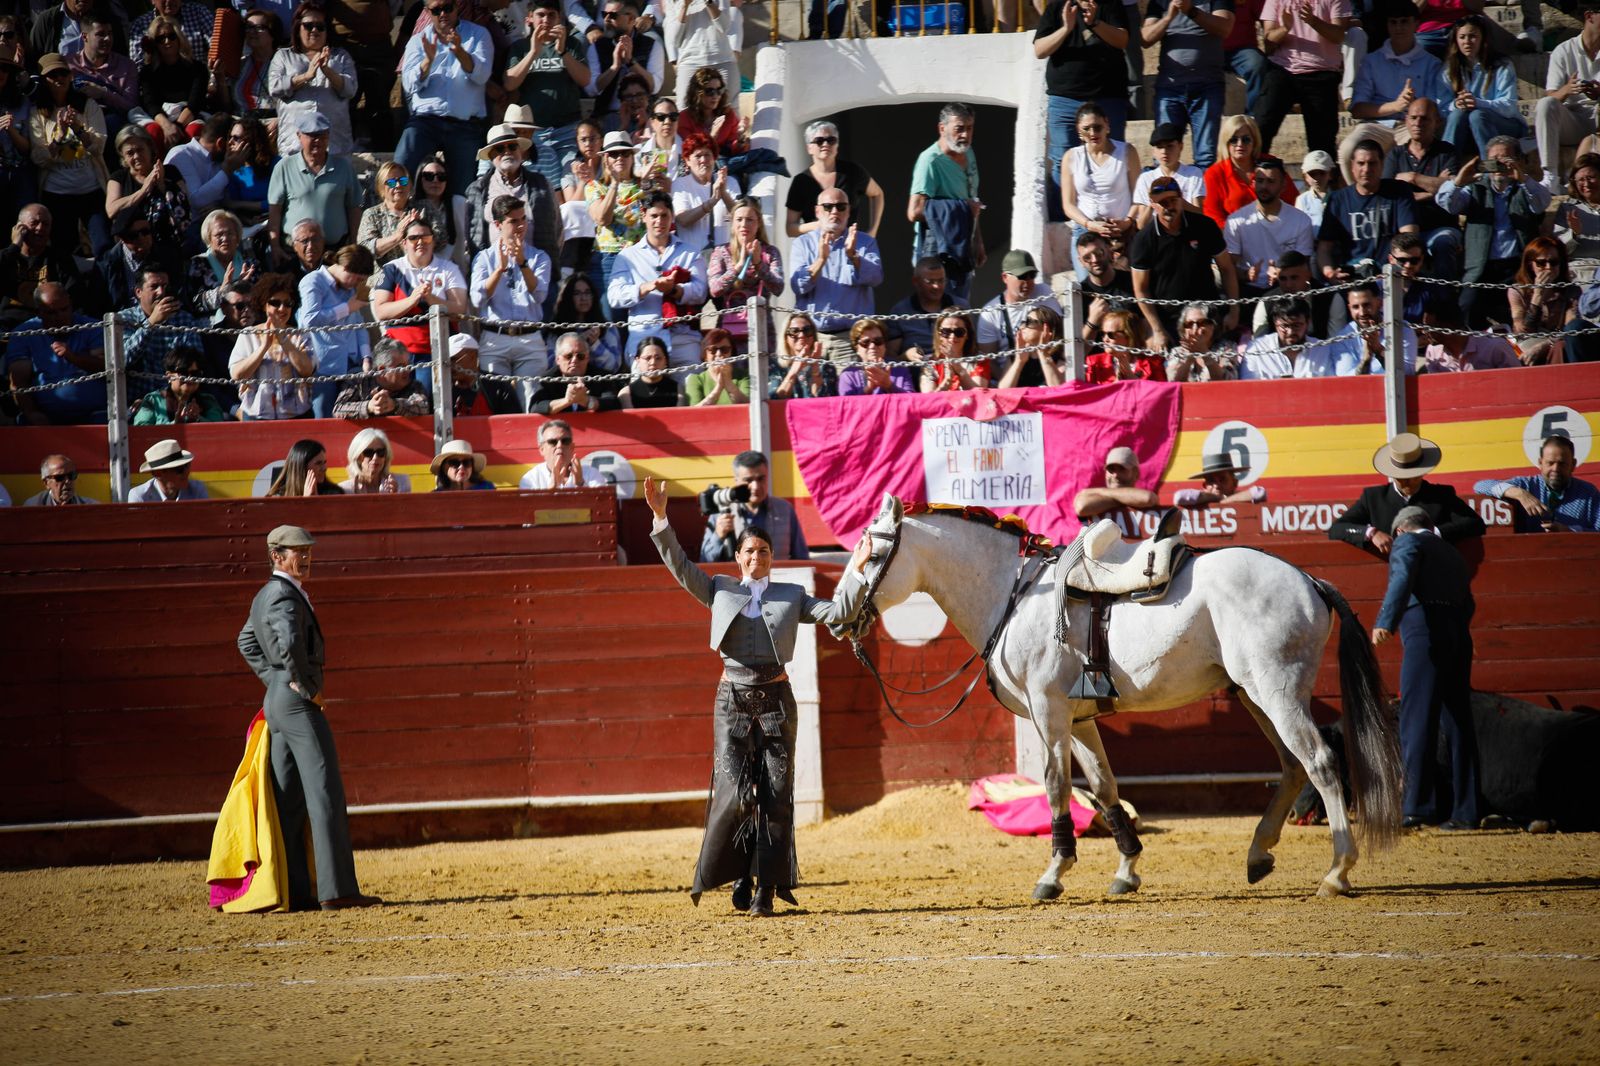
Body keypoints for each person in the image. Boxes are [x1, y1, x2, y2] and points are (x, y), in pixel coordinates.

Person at [645, 473, 868, 917]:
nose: (756, 557)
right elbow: (679, 565)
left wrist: (856, 569)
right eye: (749, 551)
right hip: (732, 700)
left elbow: (839, 614)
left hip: (776, 701)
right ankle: (742, 873)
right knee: (736, 793)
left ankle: (766, 887)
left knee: (776, 794)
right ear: (738, 557)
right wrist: (659, 517)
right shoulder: (719, 588)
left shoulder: (792, 595)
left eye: (764, 552)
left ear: (771, 559)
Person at [237, 524, 380, 911]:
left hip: (277, 701)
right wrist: (300, 682)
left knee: (290, 800)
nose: (306, 556)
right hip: (297, 703)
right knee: (324, 792)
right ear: (276, 556)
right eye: (297, 551)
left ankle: (296, 891)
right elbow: (288, 640)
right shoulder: (284, 597)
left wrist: (275, 682)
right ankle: (337, 891)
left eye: (308, 550)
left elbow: (246, 641)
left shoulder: (266, 595)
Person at [1370, 505, 1483, 831]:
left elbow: (1403, 578)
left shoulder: (1407, 544)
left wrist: (1385, 621)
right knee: (1459, 721)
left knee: (1416, 717)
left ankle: (1417, 806)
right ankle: (1466, 811)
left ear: (1400, 530)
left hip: (1425, 630)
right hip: (1458, 632)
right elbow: (1469, 602)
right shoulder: (1451, 553)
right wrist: (1456, 630)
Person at [1434, 137, 1551, 327]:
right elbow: (1447, 203)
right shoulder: (1475, 188)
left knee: (1525, 315)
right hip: (1481, 268)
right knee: (1467, 308)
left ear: (1518, 160)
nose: (1498, 165)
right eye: (1493, 159)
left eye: (1505, 159)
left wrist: (1523, 178)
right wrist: (1458, 181)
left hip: (1517, 266)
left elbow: (1542, 203)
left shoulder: (1525, 188)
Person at [1037, 0, 1131, 228]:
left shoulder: (1109, 4)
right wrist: (1066, 28)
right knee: (1062, 160)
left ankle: (1117, 216)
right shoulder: (1057, 6)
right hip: (1064, 98)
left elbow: (1123, 40)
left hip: (1108, 97)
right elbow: (1040, 49)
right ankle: (1065, 221)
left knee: (1115, 155)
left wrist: (1095, 22)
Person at [1328, 431, 1486, 553]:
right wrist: (1371, 533)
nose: (1408, 482)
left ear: (1423, 472)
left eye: (1413, 477)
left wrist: (1432, 532)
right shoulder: (1373, 498)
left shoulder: (1441, 495)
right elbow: (1337, 529)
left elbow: (1475, 523)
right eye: (1402, 478)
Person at [395, 0, 492, 195]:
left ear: (457, 7)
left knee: (464, 191)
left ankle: (460, 224)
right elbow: (408, 84)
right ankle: (396, 216)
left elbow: (482, 75)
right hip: (425, 121)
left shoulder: (478, 34)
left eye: (447, 8)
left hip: (465, 124)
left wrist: (460, 52)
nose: (443, 14)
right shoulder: (418, 40)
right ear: (427, 12)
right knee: (400, 169)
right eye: (436, 10)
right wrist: (428, 61)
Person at [1317, 138, 1417, 326]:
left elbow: (1408, 238)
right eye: (1361, 163)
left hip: (1388, 275)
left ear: (1382, 165)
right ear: (1352, 167)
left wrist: (1397, 268)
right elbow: (1323, 248)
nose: (1366, 169)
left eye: (1372, 163)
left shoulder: (1398, 191)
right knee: (1337, 321)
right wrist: (1330, 272)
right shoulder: (1338, 199)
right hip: (1351, 278)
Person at [1131, 175, 1238, 349]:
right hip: (1170, 321)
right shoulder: (1143, 240)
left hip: (1207, 316)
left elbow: (1226, 268)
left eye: (1173, 200)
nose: (1169, 207)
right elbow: (1140, 289)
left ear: (1181, 199)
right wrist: (1157, 329)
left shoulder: (1205, 226)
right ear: (1152, 203)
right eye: (1162, 203)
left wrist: (1234, 311)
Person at [472, 194, 554, 412]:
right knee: (497, 400)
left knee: (531, 401)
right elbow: (477, 299)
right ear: (498, 224)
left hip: (529, 338)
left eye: (523, 219)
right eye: (513, 221)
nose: (520, 226)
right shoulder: (484, 258)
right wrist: (499, 269)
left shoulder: (539, 257)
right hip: (495, 336)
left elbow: (540, 296)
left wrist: (522, 264)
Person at [607, 191, 708, 367]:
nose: (659, 221)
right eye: (654, 216)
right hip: (643, 341)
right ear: (644, 216)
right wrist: (647, 287)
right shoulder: (627, 256)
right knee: (643, 394)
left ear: (672, 217)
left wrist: (675, 290)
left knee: (690, 392)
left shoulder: (690, 252)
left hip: (682, 339)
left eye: (664, 216)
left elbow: (700, 292)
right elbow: (614, 296)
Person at [504, 0, 592, 196]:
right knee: (540, 190)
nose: (546, 20)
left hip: (567, 131)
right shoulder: (520, 47)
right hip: (533, 134)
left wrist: (562, 51)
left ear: (559, 18)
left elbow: (585, 79)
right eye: (541, 15)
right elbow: (509, 83)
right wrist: (534, 51)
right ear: (529, 19)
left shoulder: (572, 44)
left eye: (551, 15)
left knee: (570, 186)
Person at [789, 188, 884, 363]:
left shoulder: (865, 242)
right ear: (817, 211)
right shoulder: (802, 244)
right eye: (828, 207)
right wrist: (821, 260)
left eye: (841, 207)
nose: (834, 212)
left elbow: (876, 278)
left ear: (849, 211)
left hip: (851, 340)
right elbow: (797, 285)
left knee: (849, 390)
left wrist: (853, 256)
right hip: (812, 340)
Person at [31, 53, 110, 257]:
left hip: (91, 190)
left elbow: (99, 146)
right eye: (52, 75)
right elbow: (39, 157)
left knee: (102, 246)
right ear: (44, 80)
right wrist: (58, 135)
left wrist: (77, 128)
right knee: (62, 250)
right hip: (57, 193)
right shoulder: (38, 112)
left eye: (63, 73)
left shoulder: (88, 106)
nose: (59, 78)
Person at [371, 215, 469, 379]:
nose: (420, 242)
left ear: (433, 241)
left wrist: (431, 299)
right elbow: (381, 311)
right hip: (397, 352)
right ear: (404, 243)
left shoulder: (448, 269)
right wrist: (412, 299)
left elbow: (460, 309)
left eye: (426, 237)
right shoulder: (391, 269)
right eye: (413, 238)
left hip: (434, 350)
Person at [1142, 0, 1234, 169]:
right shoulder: (1160, 2)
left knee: (1206, 157)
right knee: (1164, 155)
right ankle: (1166, 194)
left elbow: (1225, 27)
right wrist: (1168, 17)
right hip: (1169, 88)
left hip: (1207, 87)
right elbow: (1145, 38)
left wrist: (1190, 10)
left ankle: (1202, 196)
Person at [1380, 97, 1464, 280]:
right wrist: (1434, 189)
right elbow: (1389, 194)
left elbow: (1452, 189)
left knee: (1443, 243)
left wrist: (1412, 177)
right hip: (1404, 230)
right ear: (1406, 120)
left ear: (1437, 122)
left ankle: (1444, 300)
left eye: (1425, 118)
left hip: (1440, 226)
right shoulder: (1395, 155)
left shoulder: (1448, 153)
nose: (1418, 123)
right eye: (1414, 117)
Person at [908, 102, 984, 302]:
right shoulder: (930, 161)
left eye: (970, 128)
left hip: (963, 241)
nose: (965, 135)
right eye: (959, 128)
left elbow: (972, 201)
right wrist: (961, 208)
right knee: (939, 310)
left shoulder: (968, 152)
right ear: (942, 128)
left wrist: (977, 240)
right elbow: (914, 211)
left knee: (960, 308)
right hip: (936, 246)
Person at [462, 122, 562, 272]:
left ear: (520, 151)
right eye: (500, 149)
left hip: (536, 272)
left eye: (512, 146)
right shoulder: (476, 190)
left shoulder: (542, 184)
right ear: (491, 156)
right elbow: (470, 237)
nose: (507, 152)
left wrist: (546, 268)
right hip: (493, 275)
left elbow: (558, 230)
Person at [5, 281, 105, 425]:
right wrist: (32, 413)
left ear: (71, 304)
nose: (59, 316)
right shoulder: (23, 334)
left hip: (94, 414)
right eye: (51, 312)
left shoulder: (93, 327)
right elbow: (18, 382)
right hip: (45, 416)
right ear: (38, 311)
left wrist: (73, 357)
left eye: (64, 309)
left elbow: (105, 366)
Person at [266, 110, 362, 257]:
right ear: (299, 136)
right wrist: (275, 246)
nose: (317, 140)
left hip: (334, 250)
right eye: (312, 135)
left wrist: (355, 244)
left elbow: (354, 208)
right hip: (294, 251)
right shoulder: (284, 167)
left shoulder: (344, 167)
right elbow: (275, 210)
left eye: (322, 135)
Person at [269, 3, 357, 158]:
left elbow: (350, 90)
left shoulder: (341, 56)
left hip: (335, 147)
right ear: (298, 28)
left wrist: (328, 71)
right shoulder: (283, 56)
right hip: (294, 147)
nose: (314, 30)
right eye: (308, 26)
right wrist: (306, 76)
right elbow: (274, 87)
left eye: (320, 26)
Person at [299, 242, 375, 419]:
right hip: (324, 367)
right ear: (346, 268)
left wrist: (366, 357)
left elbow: (359, 325)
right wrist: (346, 309)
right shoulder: (313, 281)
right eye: (357, 278)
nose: (358, 284)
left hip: (351, 366)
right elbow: (310, 319)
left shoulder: (349, 289)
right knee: (323, 420)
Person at [1060, 103, 1138, 277]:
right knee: (1089, 289)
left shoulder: (1126, 152)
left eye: (1097, 127)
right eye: (1086, 129)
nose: (1093, 133)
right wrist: (1090, 224)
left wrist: (1127, 221)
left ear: (1107, 125)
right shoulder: (1071, 157)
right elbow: (1068, 204)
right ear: (1079, 132)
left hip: (1120, 232)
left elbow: (1138, 197)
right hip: (1086, 231)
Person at [1224, 156, 1315, 299]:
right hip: (1249, 290)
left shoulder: (1301, 221)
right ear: (1253, 183)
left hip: (1286, 290)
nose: (1264, 187)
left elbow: (1302, 266)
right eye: (1260, 181)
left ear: (1283, 185)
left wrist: (1281, 274)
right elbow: (1229, 267)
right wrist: (1246, 275)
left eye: (1271, 181)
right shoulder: (1236, 221)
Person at [1349, 3, 1447, 134]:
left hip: (1413, 126)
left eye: (1404, 21)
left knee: (1420, 144)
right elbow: (1357, 109)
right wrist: (1396, 106)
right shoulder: (1371, 61)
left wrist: (1413, 104)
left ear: (1416, 24)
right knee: (1347, 151)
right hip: (1374, 125)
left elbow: (1434, 109)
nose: (1398, 27)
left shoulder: (1431, 64)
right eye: (1393, 22)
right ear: (1387, 25)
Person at [1439, 14, 1525, 160]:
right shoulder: (1449, 69)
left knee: (1477, 115)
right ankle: (1447, 167)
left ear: (1483, 39)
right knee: (1457, 114)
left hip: (1505, 125)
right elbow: (1441, 106)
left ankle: (1490, 168)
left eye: (1472, 36)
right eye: (1462, 37)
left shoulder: (1501, 65)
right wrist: (1457, 104)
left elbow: (1509, 106)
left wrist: (1477, 103)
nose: (1467, 42)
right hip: (1467, 129)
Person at [1473, 436, 1600, 533]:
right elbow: (1480, 486)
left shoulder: (1588, 494)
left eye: (1562, 464)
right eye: (1550, 463)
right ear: (1540, 463)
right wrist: (1520, 494)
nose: (1555, 469)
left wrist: (1570, 531)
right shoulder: (1526, 486)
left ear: (1573, 464)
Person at [1535, 2, 1600, 193]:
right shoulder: (1563, 50)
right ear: (1590, 17)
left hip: (1598, 118)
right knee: (1546, 104)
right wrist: (1567, 89)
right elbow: (1551, 95)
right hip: (1573, 120)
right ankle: (1550, 176)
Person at [230, 272, 313, 420]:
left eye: (288, 304)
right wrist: (263, 347)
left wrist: (283, 339)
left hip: (297, 415)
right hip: (256, 415)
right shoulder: (248, 334)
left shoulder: (300, 335)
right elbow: (236, 375)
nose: (282, 309)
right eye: (275, 303)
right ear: (263, 304)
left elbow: (307, 370)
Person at [783, 119, 884, 239]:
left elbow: (877, 194)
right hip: (816, 249)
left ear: (837, 145)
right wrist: (819, 225)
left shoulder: (852, 171)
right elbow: (790, 229)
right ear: (809, 148)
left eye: (831, 140)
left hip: (850, 246)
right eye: (819, 141)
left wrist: (872, 231)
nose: (825, 144)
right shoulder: (801, 181)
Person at [707, 197, 782, 356]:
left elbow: (778, 287)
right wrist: (737, 267)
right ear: (732, 223)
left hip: (762, 327)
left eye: (749, 220)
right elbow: (714, 289)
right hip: (729, 329)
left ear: (758, 223)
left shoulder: (770, 252)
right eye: (739, 219)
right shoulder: (721, 252)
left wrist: (758, 264)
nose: (744, 225)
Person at [105, 128, 194, 256]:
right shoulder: (118, 177)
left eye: (140, 149)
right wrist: (143, 190)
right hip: (134, 244)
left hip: (170, 242)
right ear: (123, 156)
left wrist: (162, 184)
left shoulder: (170, 171)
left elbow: (186, 204)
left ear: (150, 148)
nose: (136, 156)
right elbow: (111, 210)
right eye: (130, 153)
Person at [585, 130, 646, 315]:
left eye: (625, 153)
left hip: (640, 256)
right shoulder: (595, 186)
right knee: (611, 319)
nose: (620, 157)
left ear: (632, 157)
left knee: (641, 317)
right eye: (613, 154)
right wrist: (614, 183)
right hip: (608, 257)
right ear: (606, 159)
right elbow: (602, 218)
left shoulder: (645, 184)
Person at [118, 263, 206, 376]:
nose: (160, 292)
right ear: (138, 292)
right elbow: (121, 360)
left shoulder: (183, 319)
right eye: (154, 287)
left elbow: (196, 362)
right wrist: (151, 323)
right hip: (140, 391)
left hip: (175, 390)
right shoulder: (124, 318)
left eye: (164, 286)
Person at [359, 162, 449, 269]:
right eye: (391, 182)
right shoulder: (372, 214)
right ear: (381, 187)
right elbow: (365, 250)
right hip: (385, 277)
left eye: (403, 181)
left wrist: (420, 229)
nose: (398, 185)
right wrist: (397, 237)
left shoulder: (424, 207)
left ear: (410, 185)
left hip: (421, 274)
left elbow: (442, 240)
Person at [136, 18, 207, 152]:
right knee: (154, 131)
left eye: (171, 36)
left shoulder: (197, 68)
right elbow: (150, 103)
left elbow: (194, 103)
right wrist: (167, 126)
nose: (167, 42)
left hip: (188, 117)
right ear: (155, 43)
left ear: (179, 38)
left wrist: (177, 127)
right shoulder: (148, 72)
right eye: (160, 38)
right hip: (161, 117)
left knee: (194, 131)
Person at [1506, 238, 1579, 366]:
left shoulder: (1570, 291)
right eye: (1541, 263)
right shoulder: (1517, 291)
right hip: (1527, 345)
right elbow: (1522, 332)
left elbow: (1571, 328)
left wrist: (1543, 346)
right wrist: (1537, 296)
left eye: (1554, 262)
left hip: (1558, 345)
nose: (1548, 268)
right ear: (1530, 265)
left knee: (1560, 346)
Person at [976, 249, 1062, 355]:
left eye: (1032, 275)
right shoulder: (990, 312)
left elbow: (1060, 333)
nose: (1028, 281)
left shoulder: (1044, 292)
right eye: (1022, 276)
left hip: (1046, 361)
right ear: (1005, 277)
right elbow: (988, 360)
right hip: (1010, 367)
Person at [68, 14, 139, 141]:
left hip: (114, 124)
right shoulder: (69, 65)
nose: (107, 38)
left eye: (110, 33)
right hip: (79, 120)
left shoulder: (126, 66)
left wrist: (103, 93)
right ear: (85, 37)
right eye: (101, 34)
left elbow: (131, 106)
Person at [1324, 282, 1417, 375]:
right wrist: (1366, 360)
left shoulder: (1401, 329)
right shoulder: (1342, 338)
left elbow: (1408, 373)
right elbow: (1345, 381)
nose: (1362, 313)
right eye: (1356, 307)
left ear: (1379, 304)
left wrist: (1379, 351)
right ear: (1349, 308)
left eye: (1366, 305)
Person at [591, 0, 663, 120]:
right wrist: (615, 67)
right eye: (604, 14)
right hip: (609, 114)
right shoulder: (597, 46)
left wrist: (630, 62)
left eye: (613, 15)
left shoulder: (651, 45)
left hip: (643, 115)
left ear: (631, 19)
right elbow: (593, 89)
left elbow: (654, 87)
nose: (606, 20)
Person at [186, 209, 261, 319]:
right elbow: (195, 304)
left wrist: (242, 287)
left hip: (248, 322)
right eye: (219, 234)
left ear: (237, 238)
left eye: (230, 233)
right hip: (214, 326)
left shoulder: (250, 264)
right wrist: (224, 289)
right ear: (209, 239)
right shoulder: (199, 263)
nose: (225, 239)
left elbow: (261, 299)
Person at [333, 337, 432, 419]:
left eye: (408, 365)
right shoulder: (358, 381)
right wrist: (369, 406)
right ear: (382, 370)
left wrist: (394, 405)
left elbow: (423, 407)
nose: (408, 370)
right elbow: (339, 409)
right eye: (401, 366)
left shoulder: (414, 385)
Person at [1131, 122, 1207, 228]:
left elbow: (1200, 214)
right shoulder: (1145, 178)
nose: (1164, 151)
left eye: (1169, 146)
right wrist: (1154, 203)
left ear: (1180, 146)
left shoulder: (1193, 174)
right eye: (1159, 147)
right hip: (1157, 235)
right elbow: (1141, 226)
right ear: (1153, 151)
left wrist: (1176, 200)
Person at [664, 0, 736, 110]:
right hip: (690, 61)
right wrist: (685, 6)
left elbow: (724, 26)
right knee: (684, 110)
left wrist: (710, 3)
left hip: (722, 59)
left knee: (728, 109)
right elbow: (675, 39)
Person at [528, 330, 621, 415]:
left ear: (587, 358)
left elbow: (613, 403)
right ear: (557, 359)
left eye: (580, 356)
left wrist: (586, 401)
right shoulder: (547, 380)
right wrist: (567, 401)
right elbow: (535, 407)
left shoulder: (601, 377)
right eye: (568, 356)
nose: (574, 360)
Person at [132, 346, 228, 424]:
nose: (190, 378)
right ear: (169, 376)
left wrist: (198, 419)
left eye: (195, 374)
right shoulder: (154, 400)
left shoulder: (208, 401)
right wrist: (176, 424)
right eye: (183, 372)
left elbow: (219, 428)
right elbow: (141, 430)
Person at [551, 272, 624, 372]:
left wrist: (595, 344)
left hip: (598, 384)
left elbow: (614, 366)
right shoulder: (556, 327)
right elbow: (549, 364)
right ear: (567, 297)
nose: (583, 298)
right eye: (577, 293)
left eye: (587, 292)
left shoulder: (607, 327)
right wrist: (578, 341)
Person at [1239, 295, 1321, 378]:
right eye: (1284, 326)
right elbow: (1248, 386)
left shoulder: (1321, 350)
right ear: (1275, 322)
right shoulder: (1257, 348)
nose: (1290, 332)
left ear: (1308, 322)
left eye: (1296, 325)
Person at [1072, 444, 1159, 519]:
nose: (1115, 475)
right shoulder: (1087, 498)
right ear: (1106, 473)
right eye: (1111, 469)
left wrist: (1099, 492)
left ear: (1136, 473)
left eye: (1122, 469)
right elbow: (1082, 507)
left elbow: (1148, 498)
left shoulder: (1094, 493)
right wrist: (1126, 499)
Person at [677, 66, 744, 160]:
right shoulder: (684, 118)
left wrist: (740, 139)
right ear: (697, 93)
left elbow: (734, 150)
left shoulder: (728, 114)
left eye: (719, 90)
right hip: (702, 166)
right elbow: (693, 153)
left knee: (765, 155)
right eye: (709, 91)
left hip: (729, 163)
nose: (715, 96)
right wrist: (712, 136)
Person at [836, 316, 913, 396]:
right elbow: (847, 406)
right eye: (865, 342)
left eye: (878, 341)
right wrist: (869, 389)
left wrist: (889, 385)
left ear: (884, 344)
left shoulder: (900, 369)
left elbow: (911, 401)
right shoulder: (848, 374)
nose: (872, 346)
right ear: (856, 347)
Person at [520, 416, 602, 487]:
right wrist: (551, 490)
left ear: (572, 447)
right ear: (542, 450)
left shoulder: (591, 474)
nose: (559, 445)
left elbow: (602, 504)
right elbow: (530, 505)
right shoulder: (531, 479)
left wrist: (581, 484)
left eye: (565, 441)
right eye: (553, 442)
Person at [998, 304, 1067, 389]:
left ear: (1046, 328)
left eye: (1029, 322)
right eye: (1023, 321)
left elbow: (1059, 388)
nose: (1023, 326)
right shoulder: (1016, 355)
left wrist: (1043, 354)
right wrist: (1019, 362)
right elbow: (1003, 390)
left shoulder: (1060, 357)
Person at [1086, 307, 1163, 381]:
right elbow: (1090, 393)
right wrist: (1115, 385)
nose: (1105, 339)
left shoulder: (1153, 362)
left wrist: (1132, 378)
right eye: (1103, 334)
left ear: (1129, 335)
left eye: (1111, 335)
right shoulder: (1094, 362)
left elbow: (1160, 392)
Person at [1164, 303, 1236, 381]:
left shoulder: (1227, 348)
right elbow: (1173, 383)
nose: (1195, 329)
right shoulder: (1177, 352)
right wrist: (1189, 358)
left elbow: (1227, 381)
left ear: (1214, 325)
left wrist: (1204, 352)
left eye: (1202, 323)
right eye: (1189, 324)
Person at [1173, 452, 1266, 509]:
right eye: (1211, 481)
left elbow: (1259, 493)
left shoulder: (1241, 496)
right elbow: (1179, 497)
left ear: (1235, 483)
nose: (1216, 485)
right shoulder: (1202, 496)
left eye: (1222, 479)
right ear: (1205, 486)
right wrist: (1218, 498)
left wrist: (1222, 500)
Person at [128, 438, 209, 502]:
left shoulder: (197, 489)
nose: (186, 472)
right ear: (158, 474)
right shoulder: (139, 496)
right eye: (179, 469)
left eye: (187, 465)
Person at [338, 427, 411, 495]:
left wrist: (395, 497)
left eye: (380, 452)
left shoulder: (401, 482)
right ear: (357, 457)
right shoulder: (344, 490)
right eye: (368, 453)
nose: (375, 457)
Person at [685, 328, 747, 406]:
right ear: (705, 355)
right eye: (713, 350)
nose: (719, 354)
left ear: (731, 353)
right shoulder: (695, 379)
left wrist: (729, 383)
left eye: (724, 349)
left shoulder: (743, 376)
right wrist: (718, 388)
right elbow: (694, 413)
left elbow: (749, 406)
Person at [265, 438, 345, 496]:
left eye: (324, 462)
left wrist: (317, 502)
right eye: (318, 463)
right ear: (301, 467)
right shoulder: (277, 497)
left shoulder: (334, 494)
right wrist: (306, 501)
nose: (324, 468)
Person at [621, 334, 683, 407]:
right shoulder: (626, 393)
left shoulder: (678, 389)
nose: (653, 362)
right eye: (647, 358)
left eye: (658, 358)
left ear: (665, 360)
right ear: (637, 360)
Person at [24, 453, 99, 505]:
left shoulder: (92, 507)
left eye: (71, 475)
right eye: (60, 477)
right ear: (46, 483)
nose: (67, 481)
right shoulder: (33, 506)